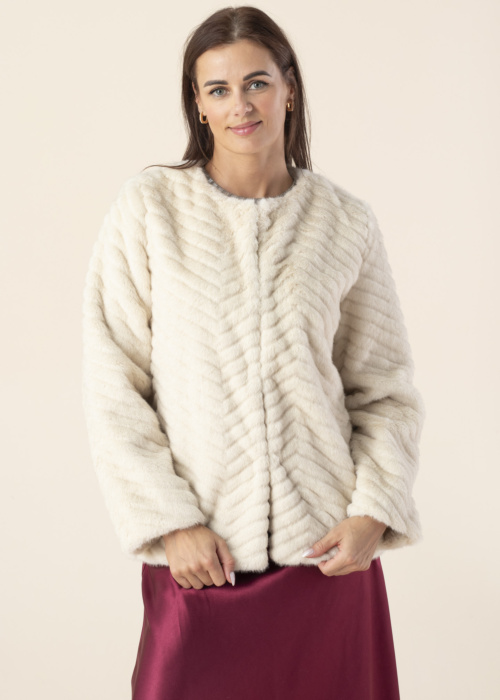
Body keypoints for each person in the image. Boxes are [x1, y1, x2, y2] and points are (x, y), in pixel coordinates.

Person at [81, 6, 425, 700]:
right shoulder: (149, 210)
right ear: (198, 104)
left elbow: (384, 389)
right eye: (219, 89)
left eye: (257, 83)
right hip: (200, 562)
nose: (240, 105)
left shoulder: (345, 222)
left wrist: (373, 513)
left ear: (289, 89)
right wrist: (172, 524)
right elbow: (114, 386)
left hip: (326, 561)